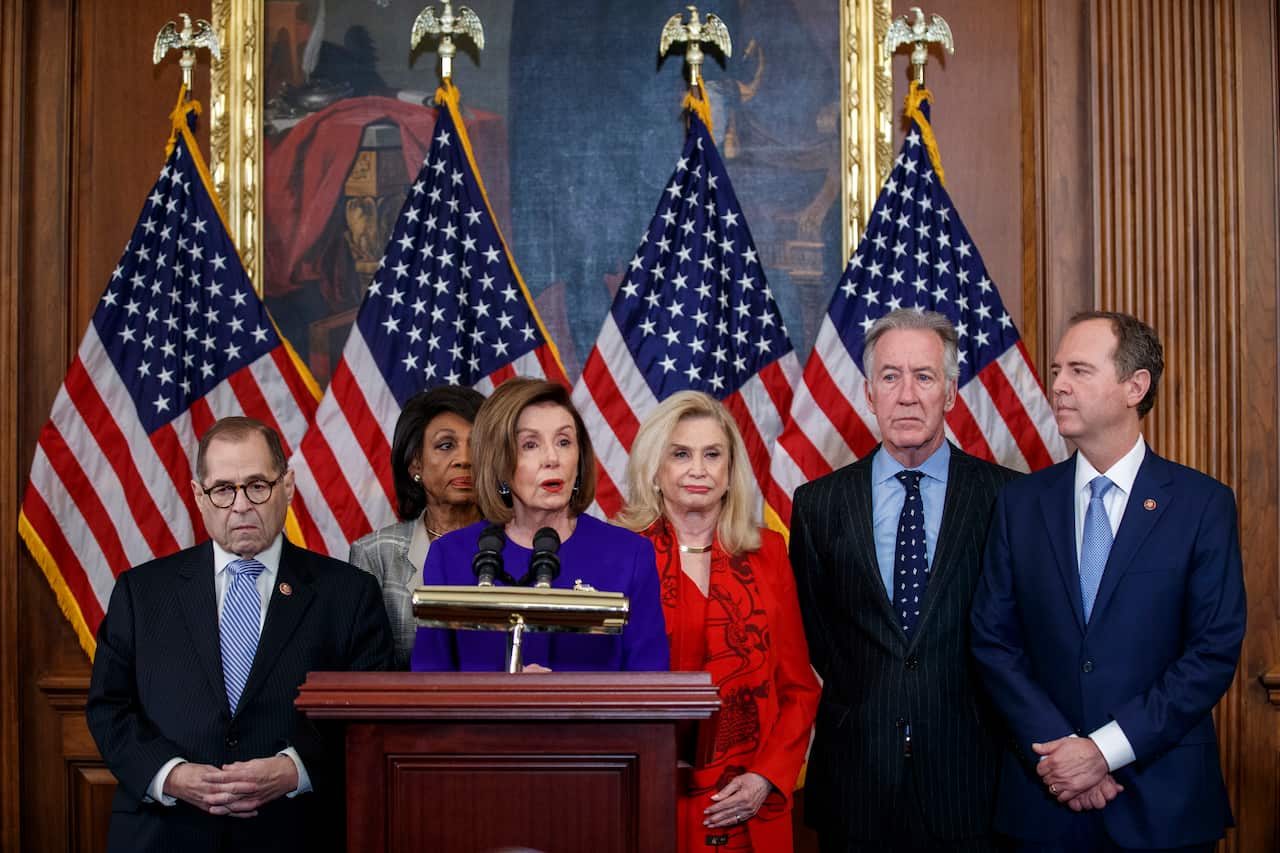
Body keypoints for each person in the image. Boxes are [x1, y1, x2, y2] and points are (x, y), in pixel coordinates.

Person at [971, 312, 1246, 852]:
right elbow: (993, 642)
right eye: (1055, 371)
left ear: (1134, 386)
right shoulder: (1020, 504)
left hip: (1162, 804)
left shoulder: (1201, 504)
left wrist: (1103, 751)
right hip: (1044, 802)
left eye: (1079, 370)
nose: (1058, 386)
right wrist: (1062, 755)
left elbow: (1212, 650)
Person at [86, 417, 393, 853]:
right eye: (223, 489)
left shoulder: (348, 593)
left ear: (287, 485)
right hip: (165, 833)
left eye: (257, 485)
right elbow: (108, 707)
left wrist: (293, 770)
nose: (241, 505)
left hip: (295, 831)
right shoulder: (141, 592)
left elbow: (368, 716)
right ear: (198, 495)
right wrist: (170, 775)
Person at [790, 309, 1019, 853]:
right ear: (869, 394)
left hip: (971, 780)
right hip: (857, 780)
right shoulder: (819, 505)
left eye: (924, 376)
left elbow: (1018, 633)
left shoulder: (1007, 500)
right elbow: (816, 638)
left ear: (950, 392)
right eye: (891, 376)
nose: (907, 394)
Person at [618, 390, 820, 853]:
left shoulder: (769, 555)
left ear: (730, 472)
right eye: (681, 454)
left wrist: (766, 778)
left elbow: (799, 689)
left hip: (748, 803)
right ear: (655, 469)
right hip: (646, 796)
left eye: (713, 455)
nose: (698, 469)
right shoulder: (622, 554)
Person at [410, 378, 670, 672]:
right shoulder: (450, 556)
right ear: (499, 461)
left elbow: (648, 689)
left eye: (564, 441)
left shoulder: (629, 555)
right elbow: (430, 689)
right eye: (530, 444)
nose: (552, 458)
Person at [349, 385, 485, 668]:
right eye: (446, 445)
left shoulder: (518, 544)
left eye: (477, 445)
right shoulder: (375, 554)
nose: (465, 459)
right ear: (415, 464)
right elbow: (368, 671)